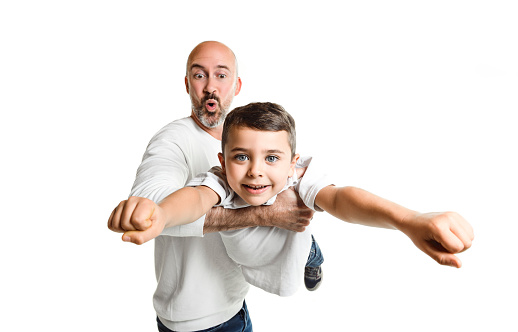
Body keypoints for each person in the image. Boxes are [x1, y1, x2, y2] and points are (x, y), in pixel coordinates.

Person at [112, 102, 474, 302]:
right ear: (222, 162)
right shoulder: (219, 181)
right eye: (241, 157)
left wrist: (408, 220)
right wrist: (161, 213)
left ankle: (314, 260)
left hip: (293, 248)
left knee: (309, 252)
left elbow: (340, 197)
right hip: (251, 265)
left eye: (271, 158)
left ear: (292, 163)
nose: (255, 172)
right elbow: (194, 200)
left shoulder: (298, 175)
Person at [108, 41, 317, 332]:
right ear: (187, 84)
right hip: (194, 319)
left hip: (233, 304)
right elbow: (153, 206)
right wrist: (264, 215)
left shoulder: (243, 140)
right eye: (199, 75)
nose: (210, 87)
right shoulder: (173, 139)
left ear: (237, 85)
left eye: (221, 75)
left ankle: (312, 256)